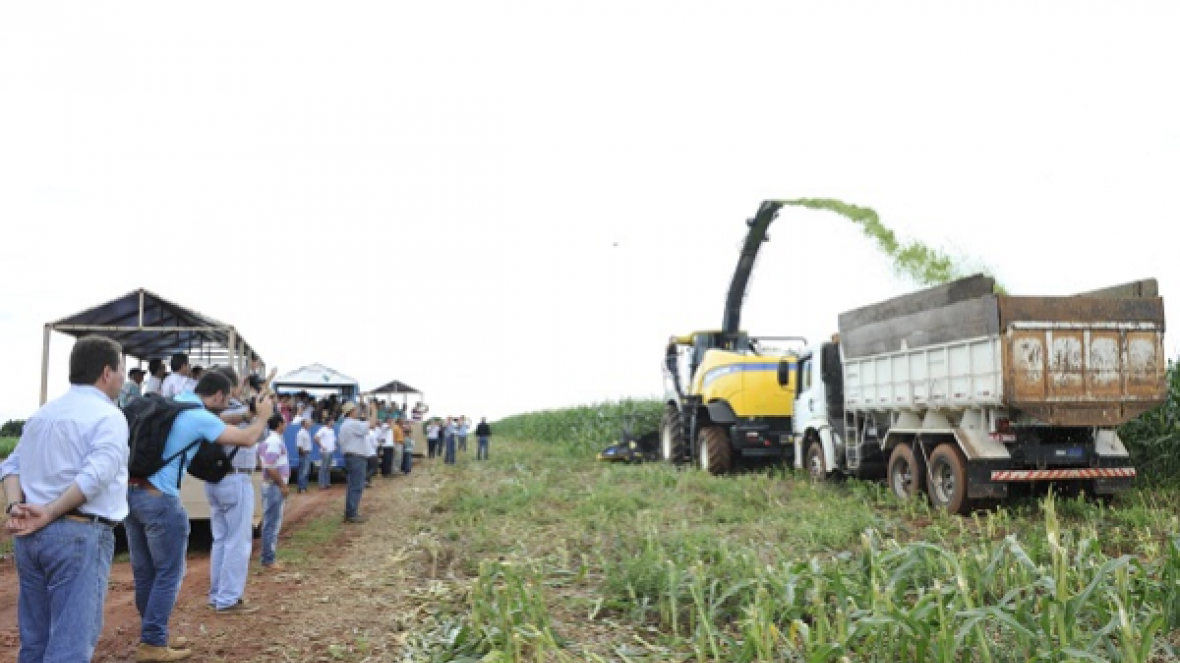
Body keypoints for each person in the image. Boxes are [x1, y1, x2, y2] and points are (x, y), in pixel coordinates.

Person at [124, 370, 272, 661]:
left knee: (145, 573)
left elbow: (218, 421)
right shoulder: (198, 416)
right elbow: (247, 438)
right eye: (226, 398)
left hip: (132, 495)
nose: (227, 403)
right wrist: (263, 416)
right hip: (161, 501)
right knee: (168, 574)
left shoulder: (175, 404)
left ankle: (153, 633)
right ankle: (153, 643)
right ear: (217, 396)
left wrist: (244, 413)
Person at [1, 336, 129, 663]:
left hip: (30, 538)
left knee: (35, 640)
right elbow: (95, 475)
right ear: (106, 372)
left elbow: (11, 465)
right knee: (71, 645)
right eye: (122, 371)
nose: (123, 379)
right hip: (78, 533)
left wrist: (15, 506)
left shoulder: (43, 414)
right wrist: (50, 511)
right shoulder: (109, 417)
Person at [205, 367, 266, 617]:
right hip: (236, 477)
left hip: (217, 479)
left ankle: (218, 594)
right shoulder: (235, 411)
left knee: (221, 540)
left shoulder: (215, 411)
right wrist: (258, 411)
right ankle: (228, 598)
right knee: (237, 542)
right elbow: (249, 428)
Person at [259, 414, 290, 570]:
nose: (286, 424)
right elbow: (270, 467)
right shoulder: (274, 442)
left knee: (271, 522)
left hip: (272, 485)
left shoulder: (269, 441)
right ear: (279, 424)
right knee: (271, 523)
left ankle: (268, 557)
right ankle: (268, 559)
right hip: (274, 486)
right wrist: (282, 485)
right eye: (284, 422)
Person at [337, 401, 377, 523]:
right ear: (351, 412)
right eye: (355, 410)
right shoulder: (352, 424)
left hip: (351, 457)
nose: (357, 412)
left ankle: (350, 512)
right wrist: (373, 410)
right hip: (356, 458)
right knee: (356, 486)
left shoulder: (345, 425)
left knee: (353, 485)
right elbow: (372, 424)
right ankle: (351, 514)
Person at [314, 416, 337, 489]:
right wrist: (321, 446)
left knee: (328, 468)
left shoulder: (332, 430)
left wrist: (334, 446)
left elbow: (333, 440)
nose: (333, 422)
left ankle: (327, 483)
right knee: (323, 467)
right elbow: (316, 437)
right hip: (325, 451)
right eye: (332, 421)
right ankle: (321, 484)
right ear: (329, 422)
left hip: (330, 451)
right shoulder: (323, 429)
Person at [295, 417, 312, 493]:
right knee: (303, 471)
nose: (309, 425)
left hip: (307, 453)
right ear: (303, 424)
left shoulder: (306, 432)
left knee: (306, 471)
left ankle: (304, 487)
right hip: (304, 454)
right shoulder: (301, 433)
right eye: (307, 424)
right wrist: (303, 453)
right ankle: (301, 488)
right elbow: (299, 445)